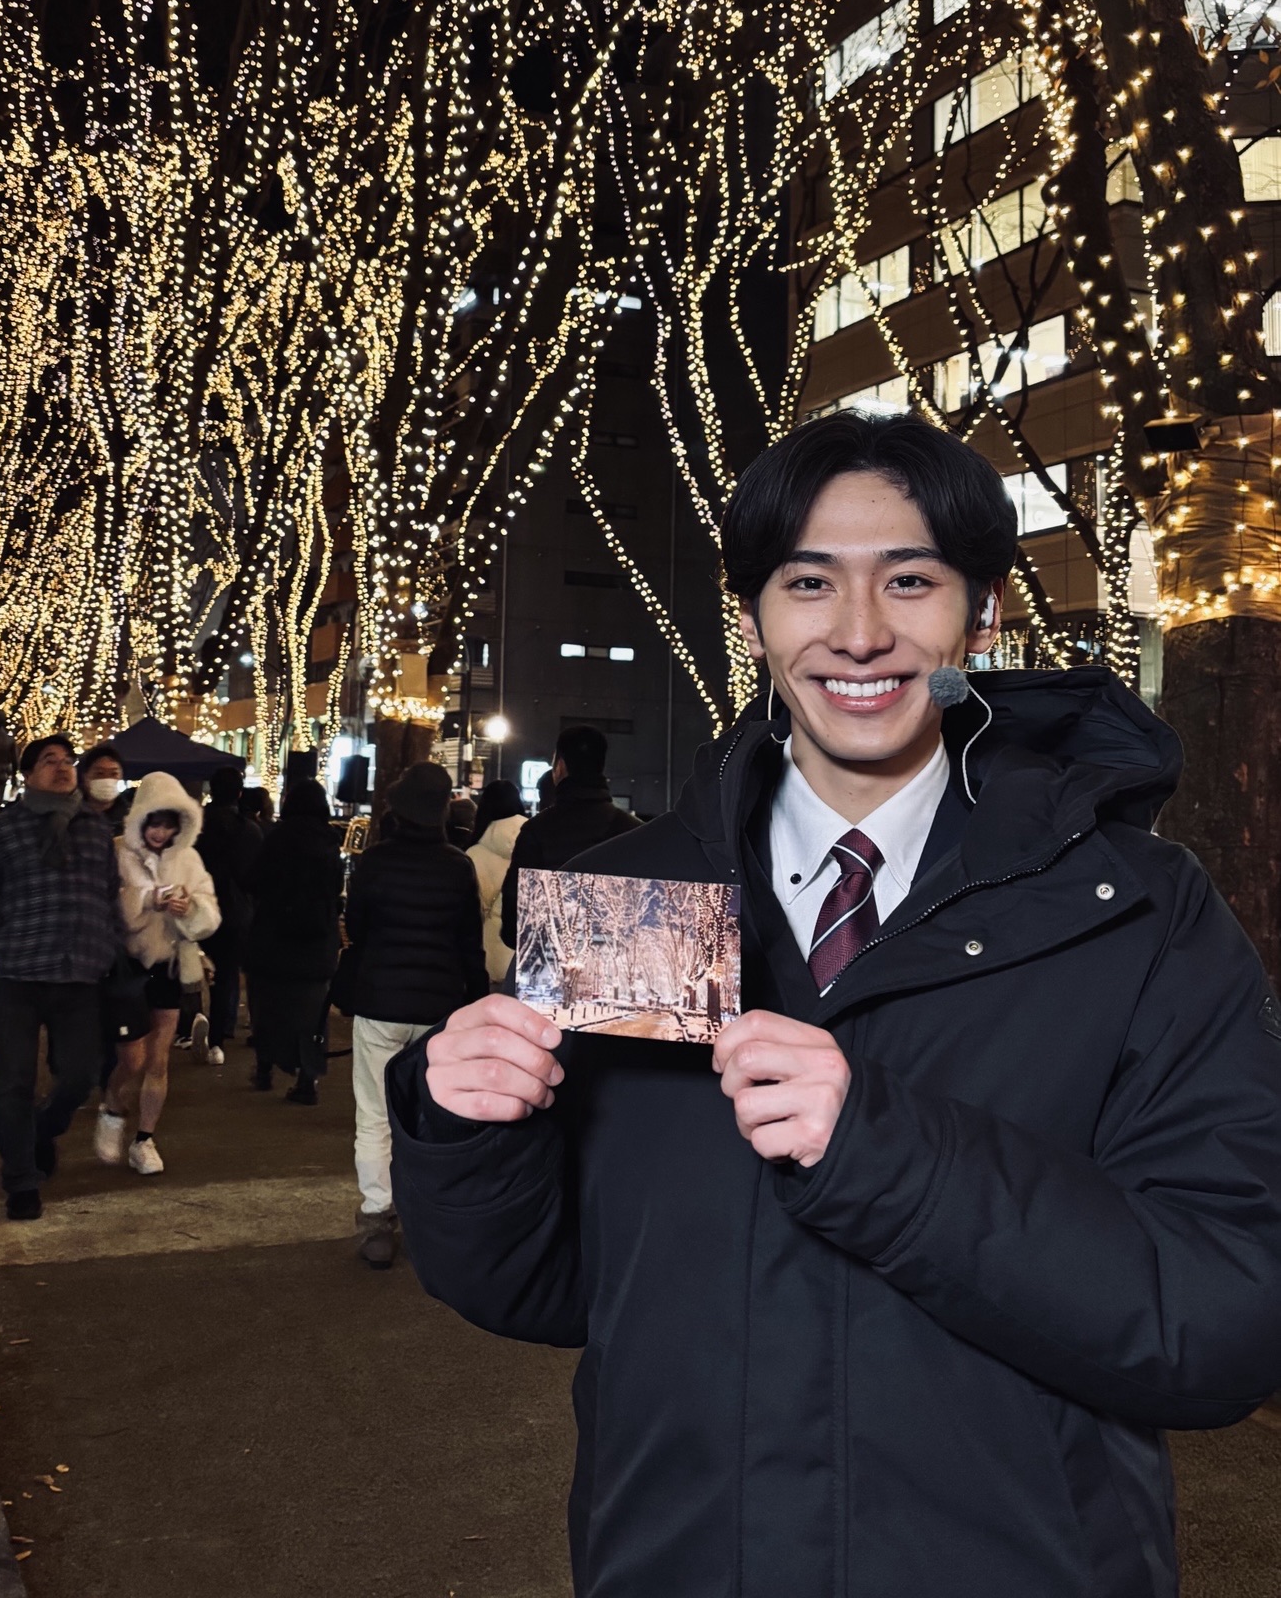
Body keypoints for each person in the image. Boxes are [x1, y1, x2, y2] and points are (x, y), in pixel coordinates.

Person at [390, 410, 1281, 1598]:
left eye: (909, 579)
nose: (859, 632)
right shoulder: (631, 898)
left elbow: (1220, 1319)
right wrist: (466, 1131)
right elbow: (550, 1285)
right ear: (752, 616)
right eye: (808, 582)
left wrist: (884, 1149)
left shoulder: (1134, 909)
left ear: (982, 611)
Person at [0, 734, 122, 1221]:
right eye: (50, 760)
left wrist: (106, 942)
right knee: (14, 1084)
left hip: (79, 974)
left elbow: (109, 894)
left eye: (68, 760)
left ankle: (41, 1131)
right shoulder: (3, 829)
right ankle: (21, 1181)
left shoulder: (95, 830)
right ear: (28, 774)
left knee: (81, 1076)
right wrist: (2, 938)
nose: (62, 767)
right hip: (19, 975)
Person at [344, 761, 486, 1268]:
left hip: (380, 1003)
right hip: (438, 1007)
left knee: (374, 1115)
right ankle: (431, 1212)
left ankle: (377, 1219)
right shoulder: (458, 866)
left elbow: (356, 927)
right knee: (430, 1114)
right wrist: (474, 1000)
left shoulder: (375, 862)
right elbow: (469, 944)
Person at [93, 771, 220, 1176]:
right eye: (155, 823)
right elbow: (109, 907)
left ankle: (144, 1140)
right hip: (126, 968)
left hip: (169, 965)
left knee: (158, 1059)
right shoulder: (118, 852)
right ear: (141, 819)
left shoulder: (188, 859)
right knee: (131, 1058)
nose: (161, 833)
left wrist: (191, 909)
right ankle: (112, 1106)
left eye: (169, 825)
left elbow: (209, 912)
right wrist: (148, 899)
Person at [498, 725, 639, 959]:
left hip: (548, 967)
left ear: (560, 767)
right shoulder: (632, 831)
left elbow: (514, 927)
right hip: (614, 968)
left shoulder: (536, 831)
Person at [245, 779, 344, 1099]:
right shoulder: (330, 841)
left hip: (273, 937)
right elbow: (335, 890)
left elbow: (254, 881)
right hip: (316, 940)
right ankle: (308, 1079)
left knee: (268, 1006)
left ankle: (265, 1069)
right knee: (313, 1013)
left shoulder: (276, 838)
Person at [195, 765, 258, 1065]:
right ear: (239, 793)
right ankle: (218, 1038)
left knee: (189, 970)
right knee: (226, 975)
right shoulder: (249, 830)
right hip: (235, 911)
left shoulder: (196, 824)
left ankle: (188, 1025)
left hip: (195, 907)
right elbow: (254, 876)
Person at [466, 779, 528, 988]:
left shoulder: (473, 856)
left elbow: (469, 916)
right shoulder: (534, 844)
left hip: (487, 961)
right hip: (523, 960)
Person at [76, 743, 128, 835]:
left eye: (114, 774)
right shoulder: (72, 816)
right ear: (85, 777)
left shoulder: (131, 818)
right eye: (99, 773)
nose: (107, 779)